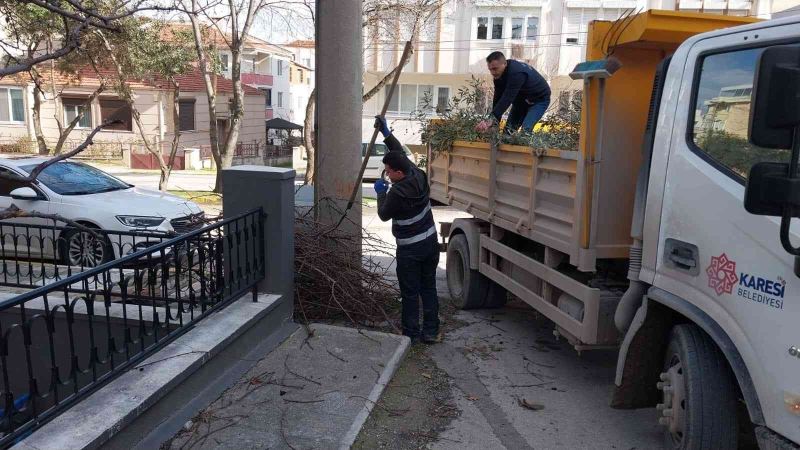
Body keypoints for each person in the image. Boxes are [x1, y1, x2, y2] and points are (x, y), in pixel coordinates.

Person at [372, 115, 440, 344]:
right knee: (428, 287)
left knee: (410, 292)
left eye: (389, 171)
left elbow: (382, 215)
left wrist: (380, 192)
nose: (387, 174)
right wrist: (386, 134)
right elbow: (400, 153)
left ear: (398, 174)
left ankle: (410, 334)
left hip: (411, 250)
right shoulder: (417, 174)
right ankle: (431, 332)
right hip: (430, 244)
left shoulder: (397, 193)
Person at [476, 51, 551, 134]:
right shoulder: (498, 77)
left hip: (539, 100)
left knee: (525, 130)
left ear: (504, 64)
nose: (492, 73)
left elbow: (507, 98)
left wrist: (491, 119)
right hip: (521, 102)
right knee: (508, 132)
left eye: (495, 69)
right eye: (490, 69)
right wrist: (493, 123)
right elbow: (498, 99)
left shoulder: (517, 73)